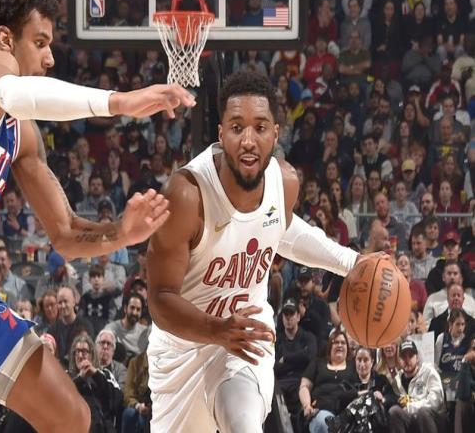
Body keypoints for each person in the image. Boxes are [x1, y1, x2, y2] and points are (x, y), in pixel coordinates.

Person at [146, 71, 381, 433]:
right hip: (181, 350)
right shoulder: (187, 195)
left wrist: (352, 262)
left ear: (276, 133)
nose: (248, 140)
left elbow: (282, 229)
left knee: (243, 424)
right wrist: (215, 329)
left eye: (260, 127)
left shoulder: (284, 183)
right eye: (236, 128)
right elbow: (160, 299)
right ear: (221, 134)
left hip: (244, 337)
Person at [299, 329, 357, 432]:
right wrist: (307, 405)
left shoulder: (354, 367)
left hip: (346, 415)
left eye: (343, 343)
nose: (339, 345)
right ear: (330, 346)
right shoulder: (318, 363)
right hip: (321, 411)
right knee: (325, 424)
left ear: (347, 347)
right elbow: (304, 386)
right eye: (336, 342)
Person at [68, 334, 123, 433]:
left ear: (92, 355)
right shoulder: (67, 377)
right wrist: (80, 379)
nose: (80, 356)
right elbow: (63, 399)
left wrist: (96, 374)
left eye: (84, 351)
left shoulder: (105, 374)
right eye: (77, 351)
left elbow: (117, 399)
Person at [388, 340, 445, 433]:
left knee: (423, 412)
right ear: (399, 360)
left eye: (410, 356)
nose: (407, 360)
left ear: (417, 358)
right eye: (403, 357)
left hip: (432, 419)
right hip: (411, 419)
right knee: (394, 411)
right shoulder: (397, 381)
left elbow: (436, 402)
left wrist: (411, 407)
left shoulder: (429, 372)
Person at [105, 293, 150, 361]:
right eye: (132, 308)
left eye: (138, 309)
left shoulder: (145, 333)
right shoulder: (111, 329)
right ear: (125, 308)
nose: (134, 312)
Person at [122, 351, 151, 433]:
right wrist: (138, 406)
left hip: (160, 408)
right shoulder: (135, 363)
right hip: (140, 408)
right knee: (129, 414)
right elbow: (128, 394)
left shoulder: (169, 362)